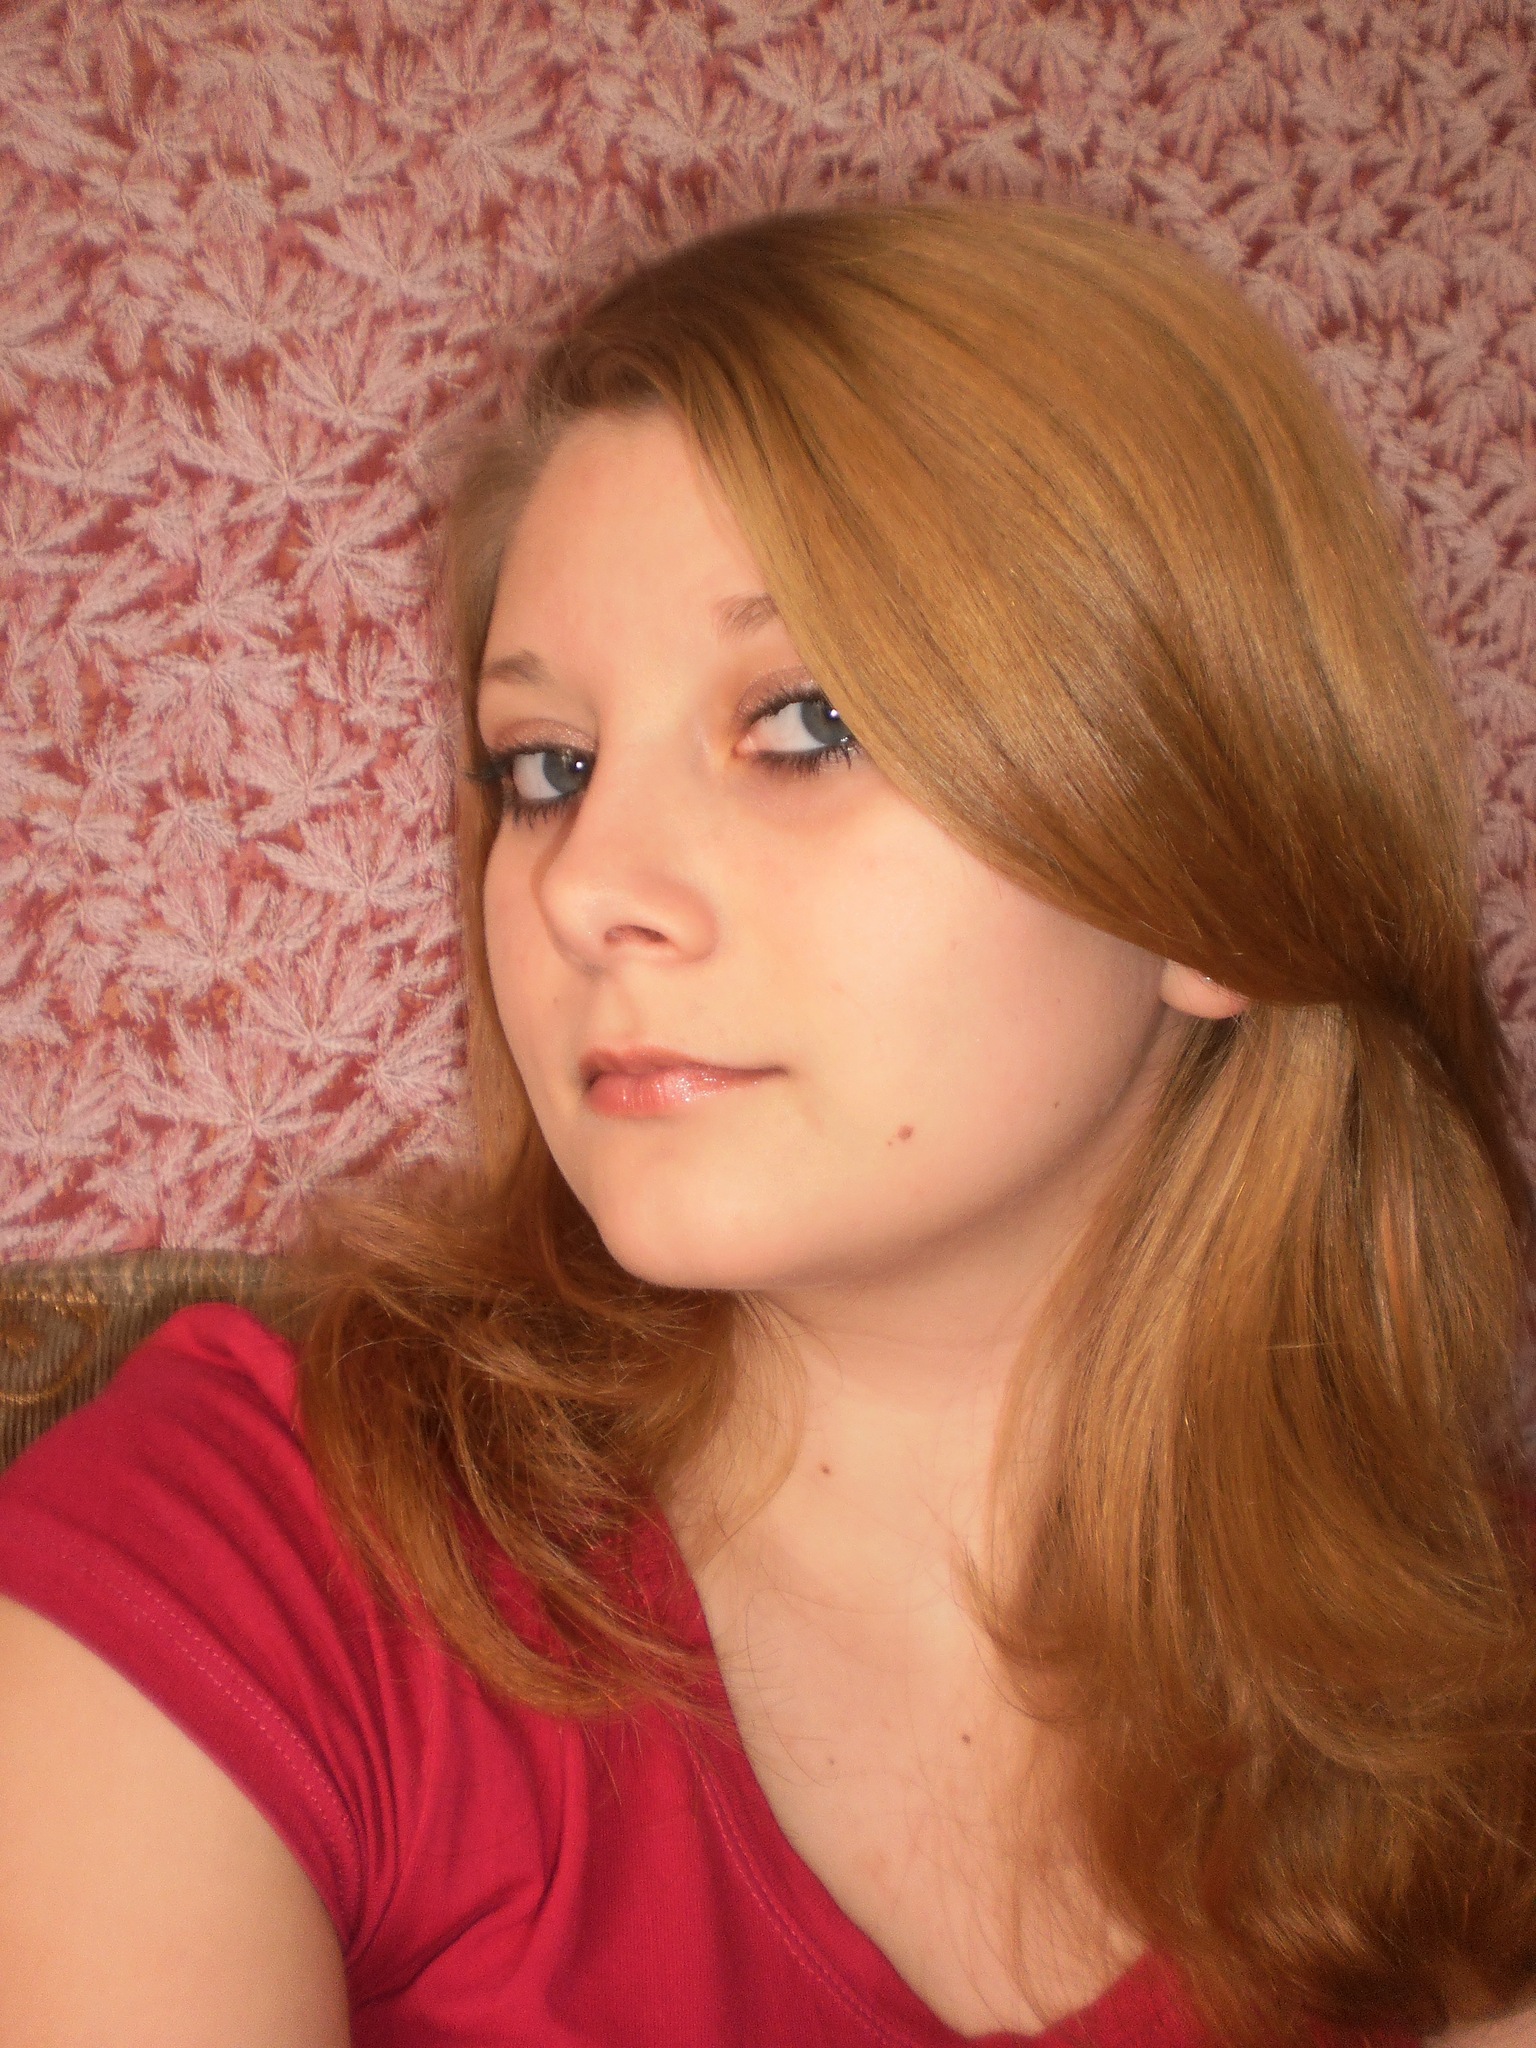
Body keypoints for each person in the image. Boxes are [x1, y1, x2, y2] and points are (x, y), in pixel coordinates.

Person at [0, 201, 1532, 2048]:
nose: (584, 888)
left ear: (1214, 867)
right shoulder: (244, 1564)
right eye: (547, 768)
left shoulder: (1482, 1691)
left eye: (803, 725)